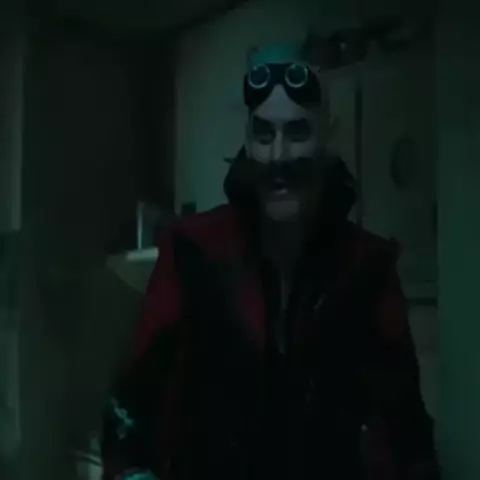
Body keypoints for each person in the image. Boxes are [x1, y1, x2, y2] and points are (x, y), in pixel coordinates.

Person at [100, 41, 440, 480]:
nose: (278, 155)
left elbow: (407, 433)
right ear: (248, 141)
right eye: (264, 134)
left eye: (297, 132)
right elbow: (131, 410)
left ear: (328, 138)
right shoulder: (192, 252)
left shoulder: (369, 269)